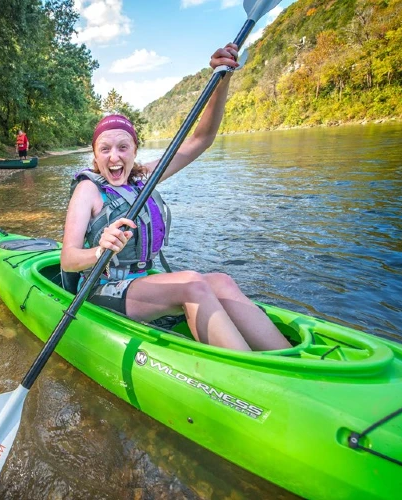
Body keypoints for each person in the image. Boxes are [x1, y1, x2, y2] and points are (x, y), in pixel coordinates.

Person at [61, 43, 292, 352]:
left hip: (140, 282)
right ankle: (251, 379)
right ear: (95, 154)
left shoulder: (144, 176)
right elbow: (68, 259)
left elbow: (201, 139)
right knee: (192, 285)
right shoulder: (88, 190)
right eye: (105, 149)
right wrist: (98, 250)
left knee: (221, 281)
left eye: (123, 147)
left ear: (134, 150)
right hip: (102, 288)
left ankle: (286, 359)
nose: (114, 157)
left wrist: (222, 79)